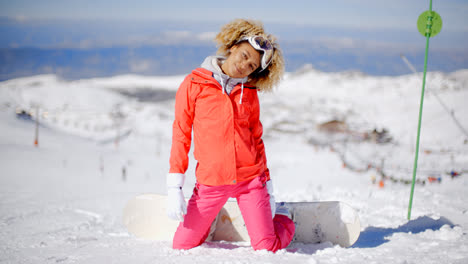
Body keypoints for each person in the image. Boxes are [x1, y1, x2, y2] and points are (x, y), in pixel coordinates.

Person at [166, 19, 295, 252]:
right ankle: (208, 218)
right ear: (233, 47)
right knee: (182, 245)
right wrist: (174, 187)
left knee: (267, 247)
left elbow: (256, 139)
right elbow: (181, 134)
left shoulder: (249, 92)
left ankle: (285, 217)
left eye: (252, 66)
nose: (245, 66)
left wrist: (267, 186)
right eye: (245, 55)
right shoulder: (194, 84)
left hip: (250, 182)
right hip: (211, 183)